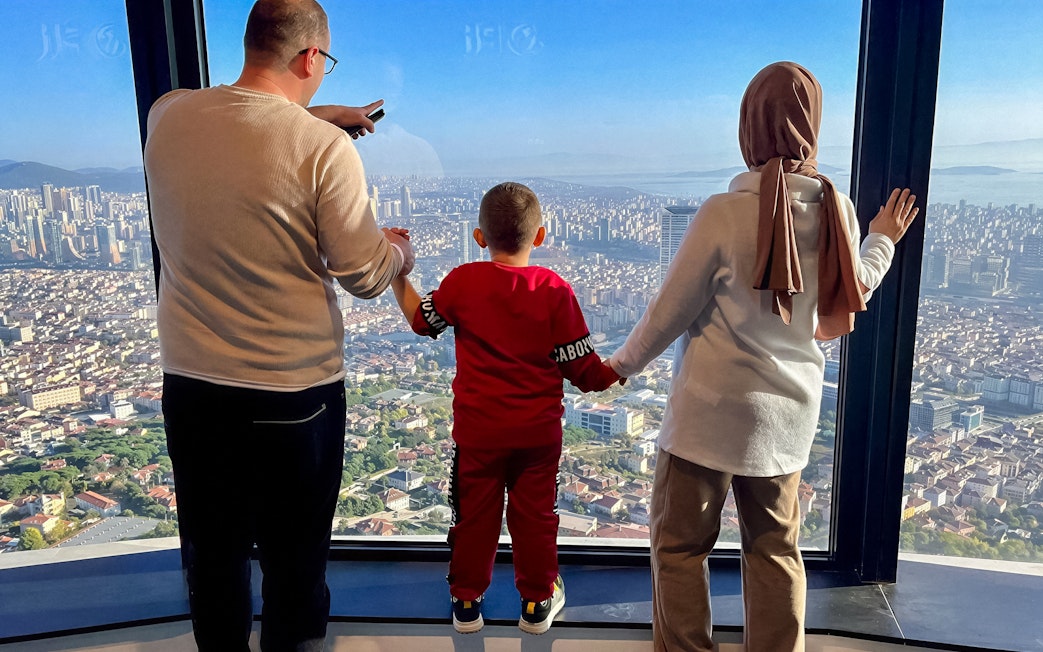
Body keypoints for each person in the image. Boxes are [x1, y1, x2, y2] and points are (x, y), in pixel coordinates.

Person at [608, 61, 919, 651]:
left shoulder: (722, 213)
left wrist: (620, 365)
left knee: (679, 549)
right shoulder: (837, 210)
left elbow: (669, 312)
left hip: (706, 418)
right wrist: (883, 237)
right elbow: (856, 285)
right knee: (775, 553)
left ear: (748, 126)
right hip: (785, 422)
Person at [143, 1, 415, 650]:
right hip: (293, 399)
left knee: (213, 559)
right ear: (311, 57)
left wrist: (312, 116)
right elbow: (364, 275)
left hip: (193, 390)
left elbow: (242, 125)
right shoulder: (323, 150)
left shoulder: (167, 116)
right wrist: (398, 251)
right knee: (295, 566)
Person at [388, 182, 622, 635]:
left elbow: (421, 321)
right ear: (540, 236)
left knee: (474, 517)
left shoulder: (463, 281)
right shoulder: (555, 290)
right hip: (537, 437)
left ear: (479, 237)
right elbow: (585, 373)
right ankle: (536, 602)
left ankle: (466, 602)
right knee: (536, 519)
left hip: (478, 434)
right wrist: (622, 368)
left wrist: (399, 272)